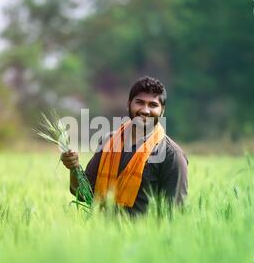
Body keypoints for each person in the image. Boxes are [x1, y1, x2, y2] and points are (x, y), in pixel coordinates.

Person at [61, 76, 188, 215]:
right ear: (128, 104)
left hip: (144, 236)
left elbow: (174, 214)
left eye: (153, 105)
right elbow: (84, 194)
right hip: (99, 234)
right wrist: (74, 168)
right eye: (139, 102)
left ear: (162, 110)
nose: (145, 110)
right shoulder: (108, 141)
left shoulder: (172, 155)